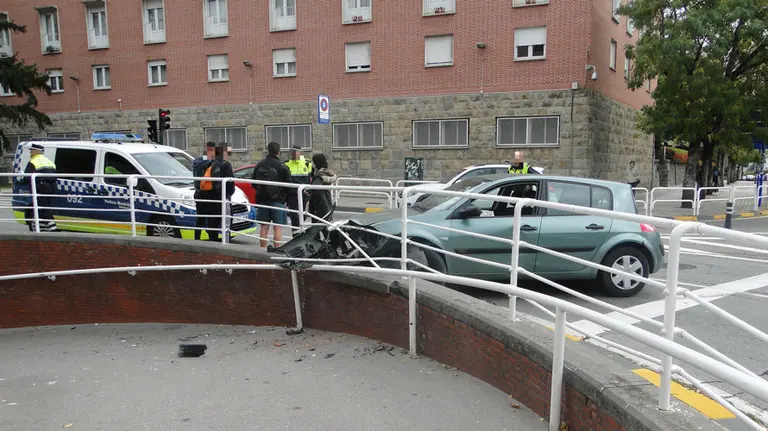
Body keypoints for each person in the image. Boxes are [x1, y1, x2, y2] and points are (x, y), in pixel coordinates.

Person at [252, 141, 292, 249]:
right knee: (277, 227)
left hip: (263, 199)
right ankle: (277, 248)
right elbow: (288, 185)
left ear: (268, 150)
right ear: (278, 152)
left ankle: (262, 250)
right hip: (278, 200)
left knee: (264, 227)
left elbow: (253, 182)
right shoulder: (282, 166)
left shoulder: (260, 164)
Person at [22, 143, 59, 232]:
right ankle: (42, 228)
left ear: (36, 151)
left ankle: (52, 227)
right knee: (45, 208)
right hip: (51, 188)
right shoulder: (50, 162)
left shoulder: (33, 162)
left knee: (42, 208)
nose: (30, 152)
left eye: (31, 150)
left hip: (40, 188)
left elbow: (27, 177)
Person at [283, 144, 313, 228]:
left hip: (304, 194)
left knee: (303, 215)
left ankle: (300, 231)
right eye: (291, 151)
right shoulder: (286, 164)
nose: (293, 154)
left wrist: (310, 192)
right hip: (292, 195)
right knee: (294, 216)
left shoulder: (307, 163)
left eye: (295, 151)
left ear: (300, 152)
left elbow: (311, 178)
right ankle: (296, 233)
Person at [192, 142, 217, 240]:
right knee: (203, 219)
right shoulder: (200, 161)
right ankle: (200, 239)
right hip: (202, 193)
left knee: (209, 219)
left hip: (208, 194)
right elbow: (203, 165)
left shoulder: (202, 161)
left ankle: (211, 239)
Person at [308, 153, 337, 223]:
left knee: (318, 224)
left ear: (317, 163)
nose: (312, 163)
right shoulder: (327, 173)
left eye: (313, 162)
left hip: (319, 204)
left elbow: (315, 190)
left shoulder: (319, 176)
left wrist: (308, 191)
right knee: (326, 222)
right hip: (327, 201)